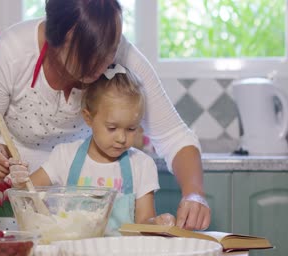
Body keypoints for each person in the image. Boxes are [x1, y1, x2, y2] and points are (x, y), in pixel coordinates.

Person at [0, 0, 210, 232]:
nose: (101, 65)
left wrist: (194, 194)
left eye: (108, 54)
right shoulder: (12, 54)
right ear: (55, 39)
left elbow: (174, 135)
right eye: (88, 58)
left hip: (75, 217)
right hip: (5, 205)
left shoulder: (120, 52)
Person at [9, 64, 176, 235]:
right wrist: (20, 181)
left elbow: (143, 222)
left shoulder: (141, 165)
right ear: (88, 118)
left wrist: (157, 223)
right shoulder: (65, 156)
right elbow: (26, 193)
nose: (121, 138)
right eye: (112, 128)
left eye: (131, 129)